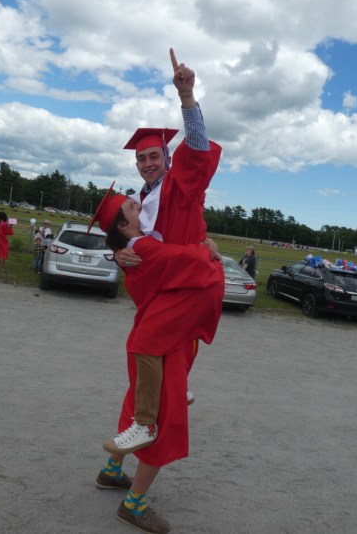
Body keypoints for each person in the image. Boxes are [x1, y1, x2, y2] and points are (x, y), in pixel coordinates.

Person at [92, 188, 223, 534]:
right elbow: (183, 259)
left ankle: (112, 471)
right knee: (163, 419)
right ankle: (133, 505)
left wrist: (119, 250)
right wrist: (206, 250)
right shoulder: (143, 245)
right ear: (123, 222)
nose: (140, 207)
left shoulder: (141, 239)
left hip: (156, 330)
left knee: (137, 399)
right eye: (133, 207)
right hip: (165, 337)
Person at [114, 48, 223, 404]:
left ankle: (165, 401)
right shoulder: (138, 202)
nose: (147, 163)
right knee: (147, 347)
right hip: (161, 285)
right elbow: (128, 238)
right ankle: (168, 396)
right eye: (141, 158)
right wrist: (118, 254)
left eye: (153, 156)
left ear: (168, 158)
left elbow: (198, 147)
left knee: (154, 343)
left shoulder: (179, 185)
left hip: (187, 283)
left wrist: (186, 96)